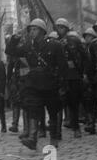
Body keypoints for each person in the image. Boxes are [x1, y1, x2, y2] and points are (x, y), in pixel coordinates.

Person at [6, 19, 68, 149]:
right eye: (30, 30)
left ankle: (54, 137)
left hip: (50, 83)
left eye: (35, 29)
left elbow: (63, 66)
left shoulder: (54, 45)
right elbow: (11, 51)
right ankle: (32, 138)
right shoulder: (28, 46)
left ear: (42, 31)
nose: (32, 32)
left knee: (52, 111)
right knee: (33, 108)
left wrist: (62, 84)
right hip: (33, 83)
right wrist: (15, 39)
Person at [55, 18, 86, 139]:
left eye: (62, 27)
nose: (59, 30)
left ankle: (76, 128)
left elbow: (84, 56)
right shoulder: (54, 42)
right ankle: (57, 131)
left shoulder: (73, 41)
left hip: (73, 76)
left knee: (73, 103)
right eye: (58, 27)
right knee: (58, 103)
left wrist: (83, 72)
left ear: (66, 29)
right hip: (60, 77)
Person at [82, 27, 97, 134]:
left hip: (96, 76)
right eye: (86, 36)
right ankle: (90, 122)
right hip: (88, 77)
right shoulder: (84, 48)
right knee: (88, 100)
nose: (88, 38)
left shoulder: (95, 47)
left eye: (90, 36)